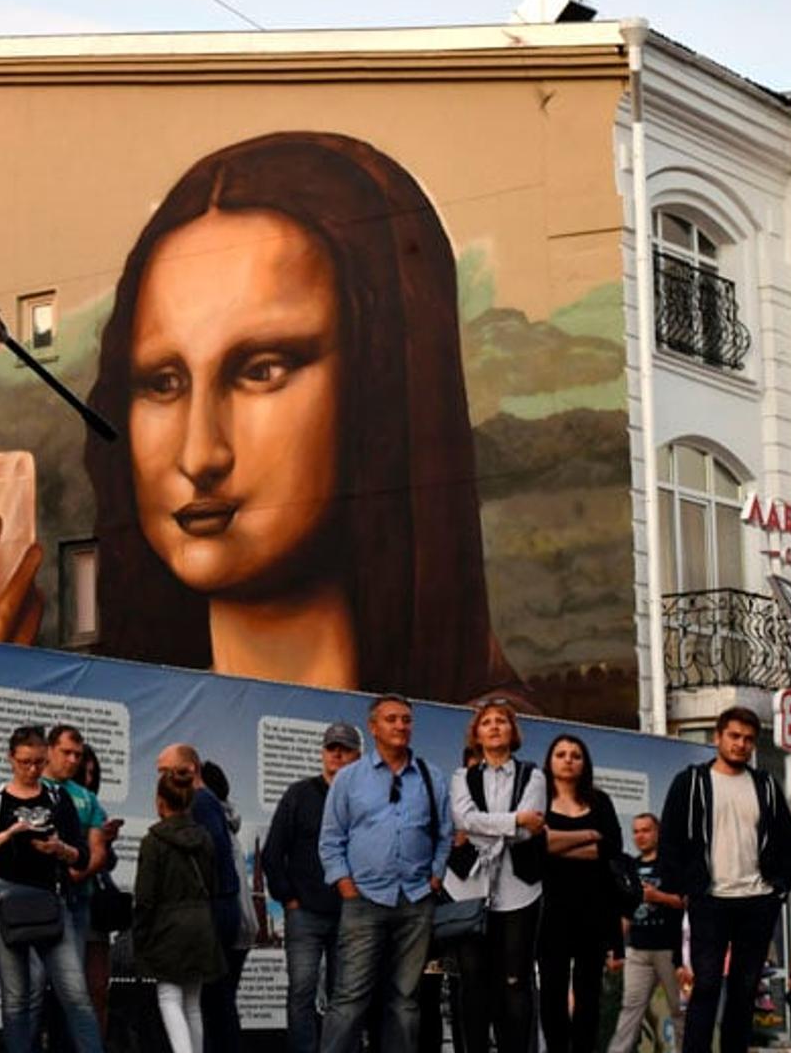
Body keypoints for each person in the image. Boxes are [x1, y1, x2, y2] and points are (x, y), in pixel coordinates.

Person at [76, 132, 516, 703]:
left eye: (262, 370)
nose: (200, 455)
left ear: (377, 380)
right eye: (164, 383)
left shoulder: (488, 749)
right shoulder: (117, 743)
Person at [659, 707, 791, 1053]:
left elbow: (787, 841)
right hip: (710, 899)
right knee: (705, 985)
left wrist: (779, 888)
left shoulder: (765, 785)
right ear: (718, 737)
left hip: (757, 899)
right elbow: (670, 837)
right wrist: (684, 888)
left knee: (745, 989)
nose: (741, 744)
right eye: (734, 736)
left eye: (748, 739)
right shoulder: (690, 782)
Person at [319, 694, 453, 1053]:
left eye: (406, 719)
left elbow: (444, 833)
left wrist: (436, 874)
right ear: (373, 727)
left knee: (405, 1000)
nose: (400, 726)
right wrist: (344, 884)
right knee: (349, 998)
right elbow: (331, 839)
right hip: (364, 900)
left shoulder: (431, 775)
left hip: (415, 901)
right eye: (392, 719)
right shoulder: (349, 778)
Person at [0, 725, 103, 1053]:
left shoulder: (56, 798)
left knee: (75, 993)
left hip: (50, 899)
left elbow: (81, 853)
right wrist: (12, 832)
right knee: (17, 997)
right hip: (3, 898)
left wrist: (58, 848)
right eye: (24, 762)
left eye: (37, 762)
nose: (31, 769)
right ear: (10, 759)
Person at [445, 702, 545, 1053]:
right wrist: (514, 818)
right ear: (477, 734)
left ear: (512, 731)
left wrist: (492, 825)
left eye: (501, 721)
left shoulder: (533, 776)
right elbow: (462, 818)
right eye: (486, 722)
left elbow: (527, 829)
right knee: (473, 984)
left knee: (515, 983)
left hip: (520, 890)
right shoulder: (462, 777)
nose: (494, 727)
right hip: (469, 887)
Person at [264, 721, 361, 1053]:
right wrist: (288, 898)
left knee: (345, 997)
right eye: (331, 747)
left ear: (358, 756)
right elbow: (273, 853)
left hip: (350, 914)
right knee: (301, 993)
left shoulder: (364, 801)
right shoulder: (298, 795)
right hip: (304, 913)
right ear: (322, 753)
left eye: (345, 748)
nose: (337, 753)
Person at [535, 734, 624, 1053]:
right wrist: (587, 835)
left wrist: (558, 844)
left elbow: (610, 849)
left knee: (589, 998)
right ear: (550, 761)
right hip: (551, 913)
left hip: (594, 913)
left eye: (575, 755)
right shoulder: (539, 801)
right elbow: (536, 847)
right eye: (561, 754)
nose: (568, 759)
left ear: (585, 763)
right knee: (552, 996)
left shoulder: (600, 802)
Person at [136, 771, 229, 1053]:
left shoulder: (153, 841)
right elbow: (214, 884)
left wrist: (140, 935)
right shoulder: (206, 839)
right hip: (202, 926)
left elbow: (145, 897)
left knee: (168, 996)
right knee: (192, 1003)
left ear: (159, 802)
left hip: (167, 927)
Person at [45, 723, 119, 1052]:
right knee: (33, 991)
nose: (80, 768)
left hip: (82, 905)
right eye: (69, 754)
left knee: (82, 989)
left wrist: (86, 863)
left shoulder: (89, 802)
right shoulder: (39, 789)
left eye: (86, 765)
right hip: (40, 901)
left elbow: (104, 858)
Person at [601, 814, 690, 1053]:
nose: (640, 836)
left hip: (669, 949)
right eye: (636, 831)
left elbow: (684, 902)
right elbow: (625, 912)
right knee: (631, 1006)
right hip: (637, 948)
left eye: (646, 830)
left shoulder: (671, 865)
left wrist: (657, 896)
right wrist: (615, 947)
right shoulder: (631, 867)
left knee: (678, 1009)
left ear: (657, 832)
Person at [199, 759, 256, 1053]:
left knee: (213, 1007)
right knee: (221, 1005)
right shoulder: (226, 822)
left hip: (223, 923)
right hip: (241, 925)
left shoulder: (211, 822)